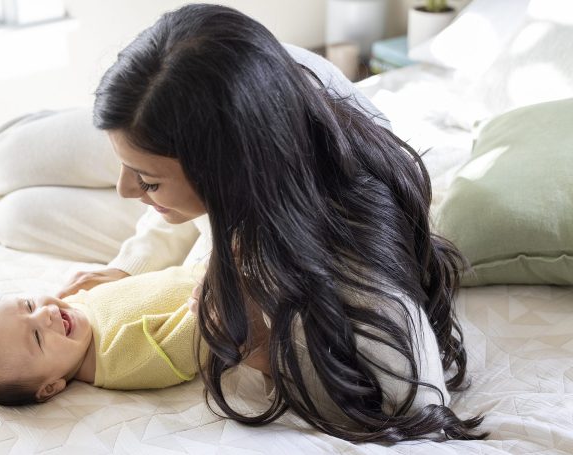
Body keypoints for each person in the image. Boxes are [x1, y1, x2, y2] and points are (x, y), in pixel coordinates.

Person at [56, 3, 486, 443]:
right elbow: (173, 206)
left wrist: (260, 346)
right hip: (234, 89)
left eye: (145, 182)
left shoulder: (345, 244)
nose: (123, 191)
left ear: (229, 178)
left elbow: (415, 399)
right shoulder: (230, 149)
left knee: (17, 215)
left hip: (240, 113)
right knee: (10, 174)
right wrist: (131, 268)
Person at [0, 266, 210, 406]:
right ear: (51, 387)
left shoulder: (74, 306)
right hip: (233, 290)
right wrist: (214, 305)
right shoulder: (119, 360)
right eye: (36, 338)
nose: (44, 315)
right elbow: (190, 346)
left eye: (29, 305)